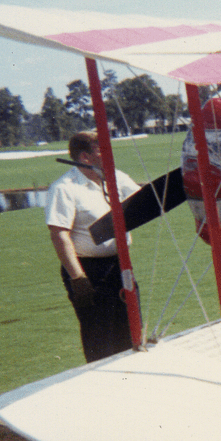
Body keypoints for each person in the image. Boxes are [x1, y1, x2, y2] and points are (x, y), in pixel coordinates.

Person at [45, 131, 140, 362]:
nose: (110, 155)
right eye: (102, 150)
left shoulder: (116, 177)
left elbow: (142, 200)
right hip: (88, 273)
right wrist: (78, 278)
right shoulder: (64, 188)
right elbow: (59, 235)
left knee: (131, 332)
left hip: (120, 266)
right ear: (86, 157)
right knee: (100, 340)